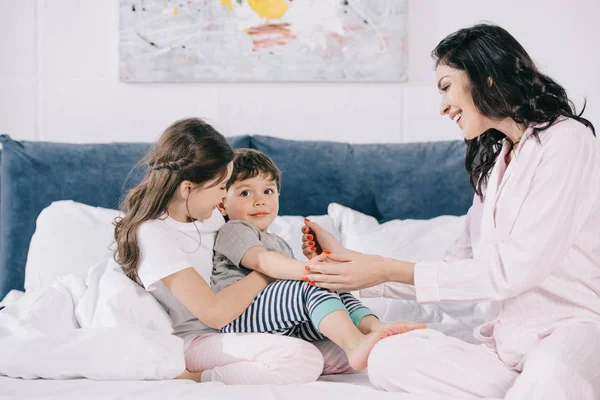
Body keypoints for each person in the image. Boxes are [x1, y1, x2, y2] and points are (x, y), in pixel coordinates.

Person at [301, 24, 600, 399]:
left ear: (486, 78)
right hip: (506, 347)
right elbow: (455, 263)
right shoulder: (495, 166)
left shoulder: (566, 139)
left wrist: (382, 269)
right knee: (388, 357)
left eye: (446, 86)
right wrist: (352, 266)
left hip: (571, 331)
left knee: (550, 375)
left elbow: (514, 270)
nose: (442, 105)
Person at [113, 118, 347, 385]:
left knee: (342, 349)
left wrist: (301, 256)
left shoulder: (207, 215)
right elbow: (214, 312)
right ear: (188, 188)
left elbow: (251, 239)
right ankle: (195, 377)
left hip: (250, 320)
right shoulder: (153, 234)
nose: (223, 199)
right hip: (198, 337)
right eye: (222, 187)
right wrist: (269, 272)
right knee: (302, 358)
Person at [211, 149, 426, 371]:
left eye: (268, 191)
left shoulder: (278, 241)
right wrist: (311, 268)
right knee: (312, 283)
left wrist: (318, 267)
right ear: (221, 204)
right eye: (245, 193)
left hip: (279, 321)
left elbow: (291, 287)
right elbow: (263, 262)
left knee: (331, 285)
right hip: (242, 317)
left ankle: (372, 326)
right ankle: (354, 344)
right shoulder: (234, 230)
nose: (259, 201)